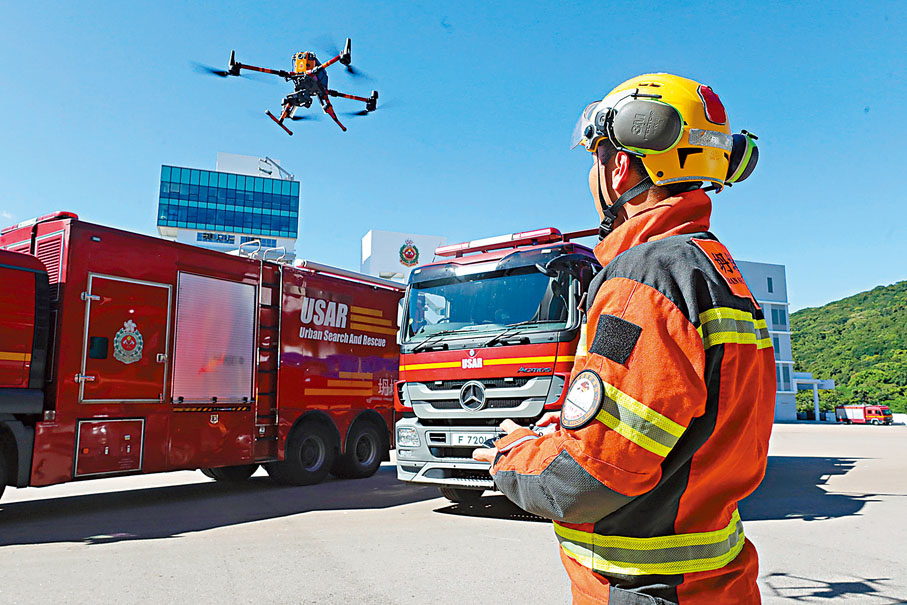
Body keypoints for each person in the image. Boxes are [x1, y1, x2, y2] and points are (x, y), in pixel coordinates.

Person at [472, 73, 772, 604]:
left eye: (596, 159)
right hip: (717, 586)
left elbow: (589, 475)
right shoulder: (712, 268)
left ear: (618, 168)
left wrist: (511, 453)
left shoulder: (645, 277)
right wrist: (565, 429)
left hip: (644, 591)